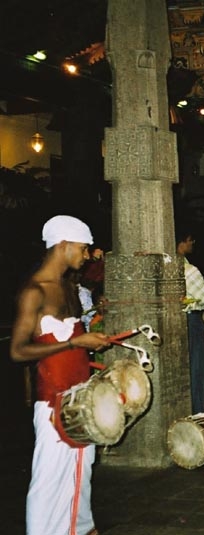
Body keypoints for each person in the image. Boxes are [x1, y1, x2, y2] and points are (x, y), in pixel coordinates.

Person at [10, 215, 111, 535]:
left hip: (79, 398)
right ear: (63, 245)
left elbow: (75, 337)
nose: (86, 255)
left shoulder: (69, 287)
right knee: (49, 481)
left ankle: (83, 529)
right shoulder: (34, 291)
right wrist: (74, 342)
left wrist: (94, 329)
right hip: (53, 402)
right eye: (82, 249)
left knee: (81, 475)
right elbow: (17, 351)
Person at [177, 228, 204, 414]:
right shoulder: (189, 271)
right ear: (183, 242)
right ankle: (196, 409)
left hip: (175, 322)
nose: (192, 244)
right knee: (196, 367)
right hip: (191, 320)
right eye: (190, 240)